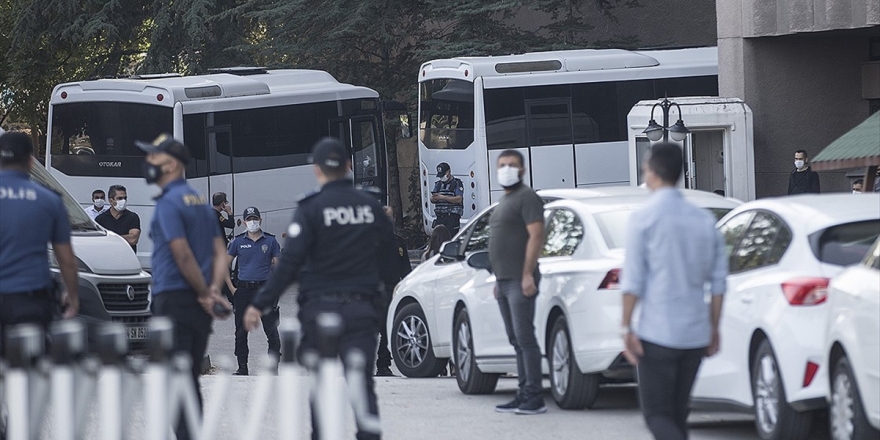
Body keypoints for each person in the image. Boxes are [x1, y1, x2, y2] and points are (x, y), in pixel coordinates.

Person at [243, 137, 393, 440]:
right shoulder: (371, 207)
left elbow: (289, 264)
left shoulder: (311, 208)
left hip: (320, 310)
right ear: (349, 167)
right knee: (362, 385)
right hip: (362, 310)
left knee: (322, 385)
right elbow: (389, 258)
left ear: (317, 170)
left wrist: (260, 303)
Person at [620, 142, 727, 440]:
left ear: (652, 172)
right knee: (678, 413)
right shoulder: (704, 221)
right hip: (695, 333)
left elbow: (633, 282)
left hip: (657, 333)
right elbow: (718, 283)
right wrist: (714, 327)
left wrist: (626, 325)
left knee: (657, 414)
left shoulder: (643, 218)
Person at [137, 133, 231, 440]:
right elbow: (220, 253)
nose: (148, 161)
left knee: (174, 380)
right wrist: (213, 290)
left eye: (154, 156)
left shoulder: (169, 202)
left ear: (171, 164)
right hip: (197, 306)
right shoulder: (201, 203)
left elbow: (181, 252)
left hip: (174, 300)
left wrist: (206, 293)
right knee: (188, 377)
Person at [0, 132, 79, 352]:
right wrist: (72, 297)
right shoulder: (49, 200)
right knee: (27, 377)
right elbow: (67, 260)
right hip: (29, 303)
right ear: (30, 161)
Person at [488, 149, 546, 415]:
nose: (506, 169)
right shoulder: (505, 200)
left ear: (522, 170)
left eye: (512, 165)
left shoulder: (527, 197)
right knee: (515, 339)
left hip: (520, 281)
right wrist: (498, 279)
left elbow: (536, 236)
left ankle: (534, 397)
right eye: (502, 165)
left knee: (525, 338)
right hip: (504, 281)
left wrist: (526, 274)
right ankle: (522, 393)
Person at [227, 206, 282, 376]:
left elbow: (280, 267)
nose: (252, 222)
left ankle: (273, 367)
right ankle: (242, 367)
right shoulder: (237, 242)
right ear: (244, 222)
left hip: (264, 290)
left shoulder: (270, 241)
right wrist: (232, 289)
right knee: (241, 331)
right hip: (243, 291)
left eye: (255, 219)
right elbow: (223, 265)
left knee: (271, 330)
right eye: (249, 219)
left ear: (260, 220)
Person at [376, 205, 412, 377]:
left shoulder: (399, 242)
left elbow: (406, 270)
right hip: (373, 291)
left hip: (392, 291)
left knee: (387, 329)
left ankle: (383, 364)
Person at [95, 184, 141, 251]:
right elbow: (98, 241)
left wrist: (109, 239)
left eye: (125, 198)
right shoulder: (100, 219)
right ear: (111, 201)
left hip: (128, 257)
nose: (123, 201)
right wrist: (124, 238)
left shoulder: (132, 217)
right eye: (119, 198)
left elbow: (133, 239)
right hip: (107, 257)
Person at [431, 162, 464, 235]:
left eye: (443, 175)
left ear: (448, 172)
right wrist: (434, 199)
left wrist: (443, 197)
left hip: (451, 217)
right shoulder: (438, 184)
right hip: (440, 217)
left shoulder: (456, 183)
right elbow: (432, 199)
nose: (442, 178)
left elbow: (459, 199)